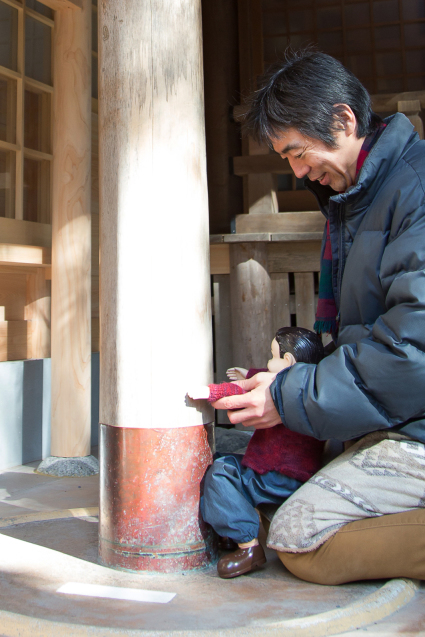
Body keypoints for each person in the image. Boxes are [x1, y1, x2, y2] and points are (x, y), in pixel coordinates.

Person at [211, 49, 425, 584]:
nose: (298, 169)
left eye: (298, 152)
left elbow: (411, 356)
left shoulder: (414, 192)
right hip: (399, 418)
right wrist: (295, 377)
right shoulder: (360, 199)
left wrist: (286, 398)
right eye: (287, 158)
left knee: (298, 537)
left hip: (413, 426)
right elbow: (371, 339)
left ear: (343, 120)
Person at [188, 327, 325, 578]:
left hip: (275, 476)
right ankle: (228, 532)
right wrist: (249, 373)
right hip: (298, 474)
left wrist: (210, 392)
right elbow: (261, 377)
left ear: (289, 361)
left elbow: (244, 389)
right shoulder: (315, 384)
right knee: (223, 464)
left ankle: (247, 545)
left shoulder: (280, 387)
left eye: (272, 357)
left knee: (219, 474)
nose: (267, 363)